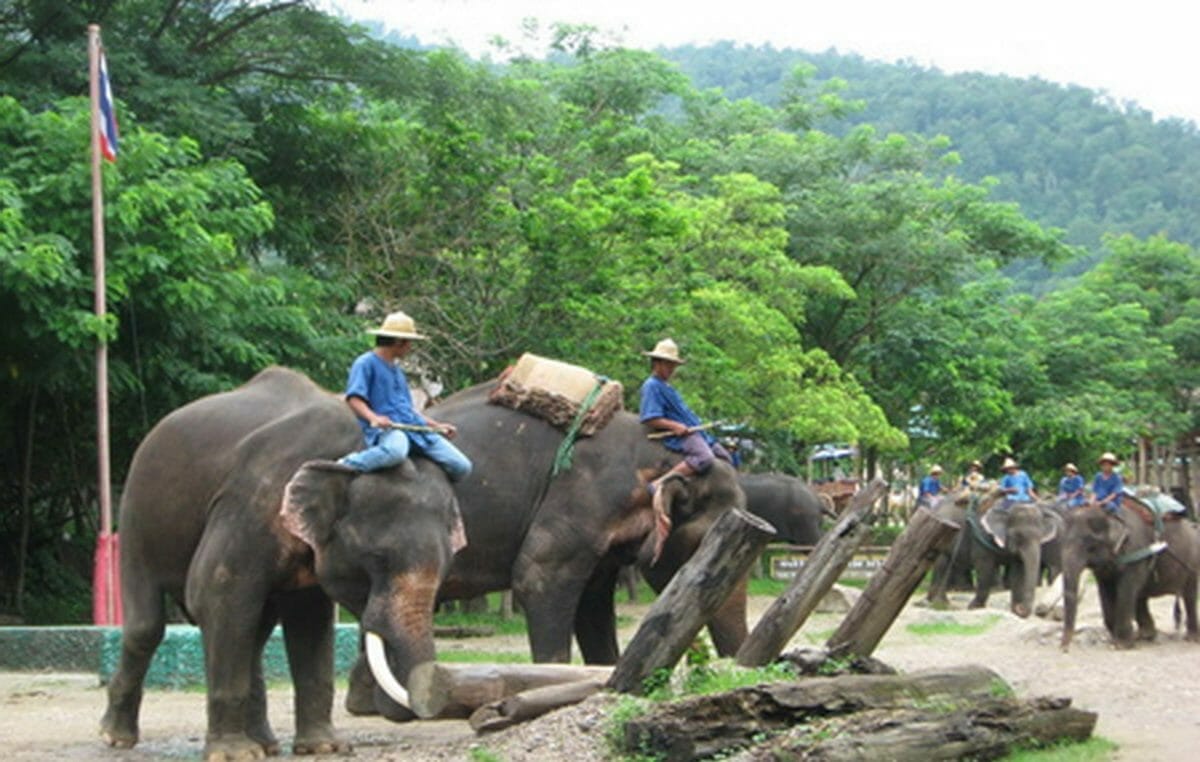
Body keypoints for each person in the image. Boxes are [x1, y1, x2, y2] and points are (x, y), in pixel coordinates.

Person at [338, 311, 472, 480]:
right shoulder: (365, 363)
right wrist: (374, 418)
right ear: (398, 342)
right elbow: (354, 399)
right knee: (395, 451)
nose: (411, 348)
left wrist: (436, 426)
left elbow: (408, 409)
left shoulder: (398, 372)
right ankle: (345, 465)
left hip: (414, 430)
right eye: (409, 343)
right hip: (389, 430)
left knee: (462, 466)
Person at [639, 338, 732, 492]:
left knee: (725, 458)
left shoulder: (667, 387)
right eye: (668, 365)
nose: (672, 370)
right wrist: (674, 426)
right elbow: (649, 417)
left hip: (697, 432)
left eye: (673, 366)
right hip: (680, 436)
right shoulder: (652, 386)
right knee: (704, 457)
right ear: (657, 363)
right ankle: (660, 483)